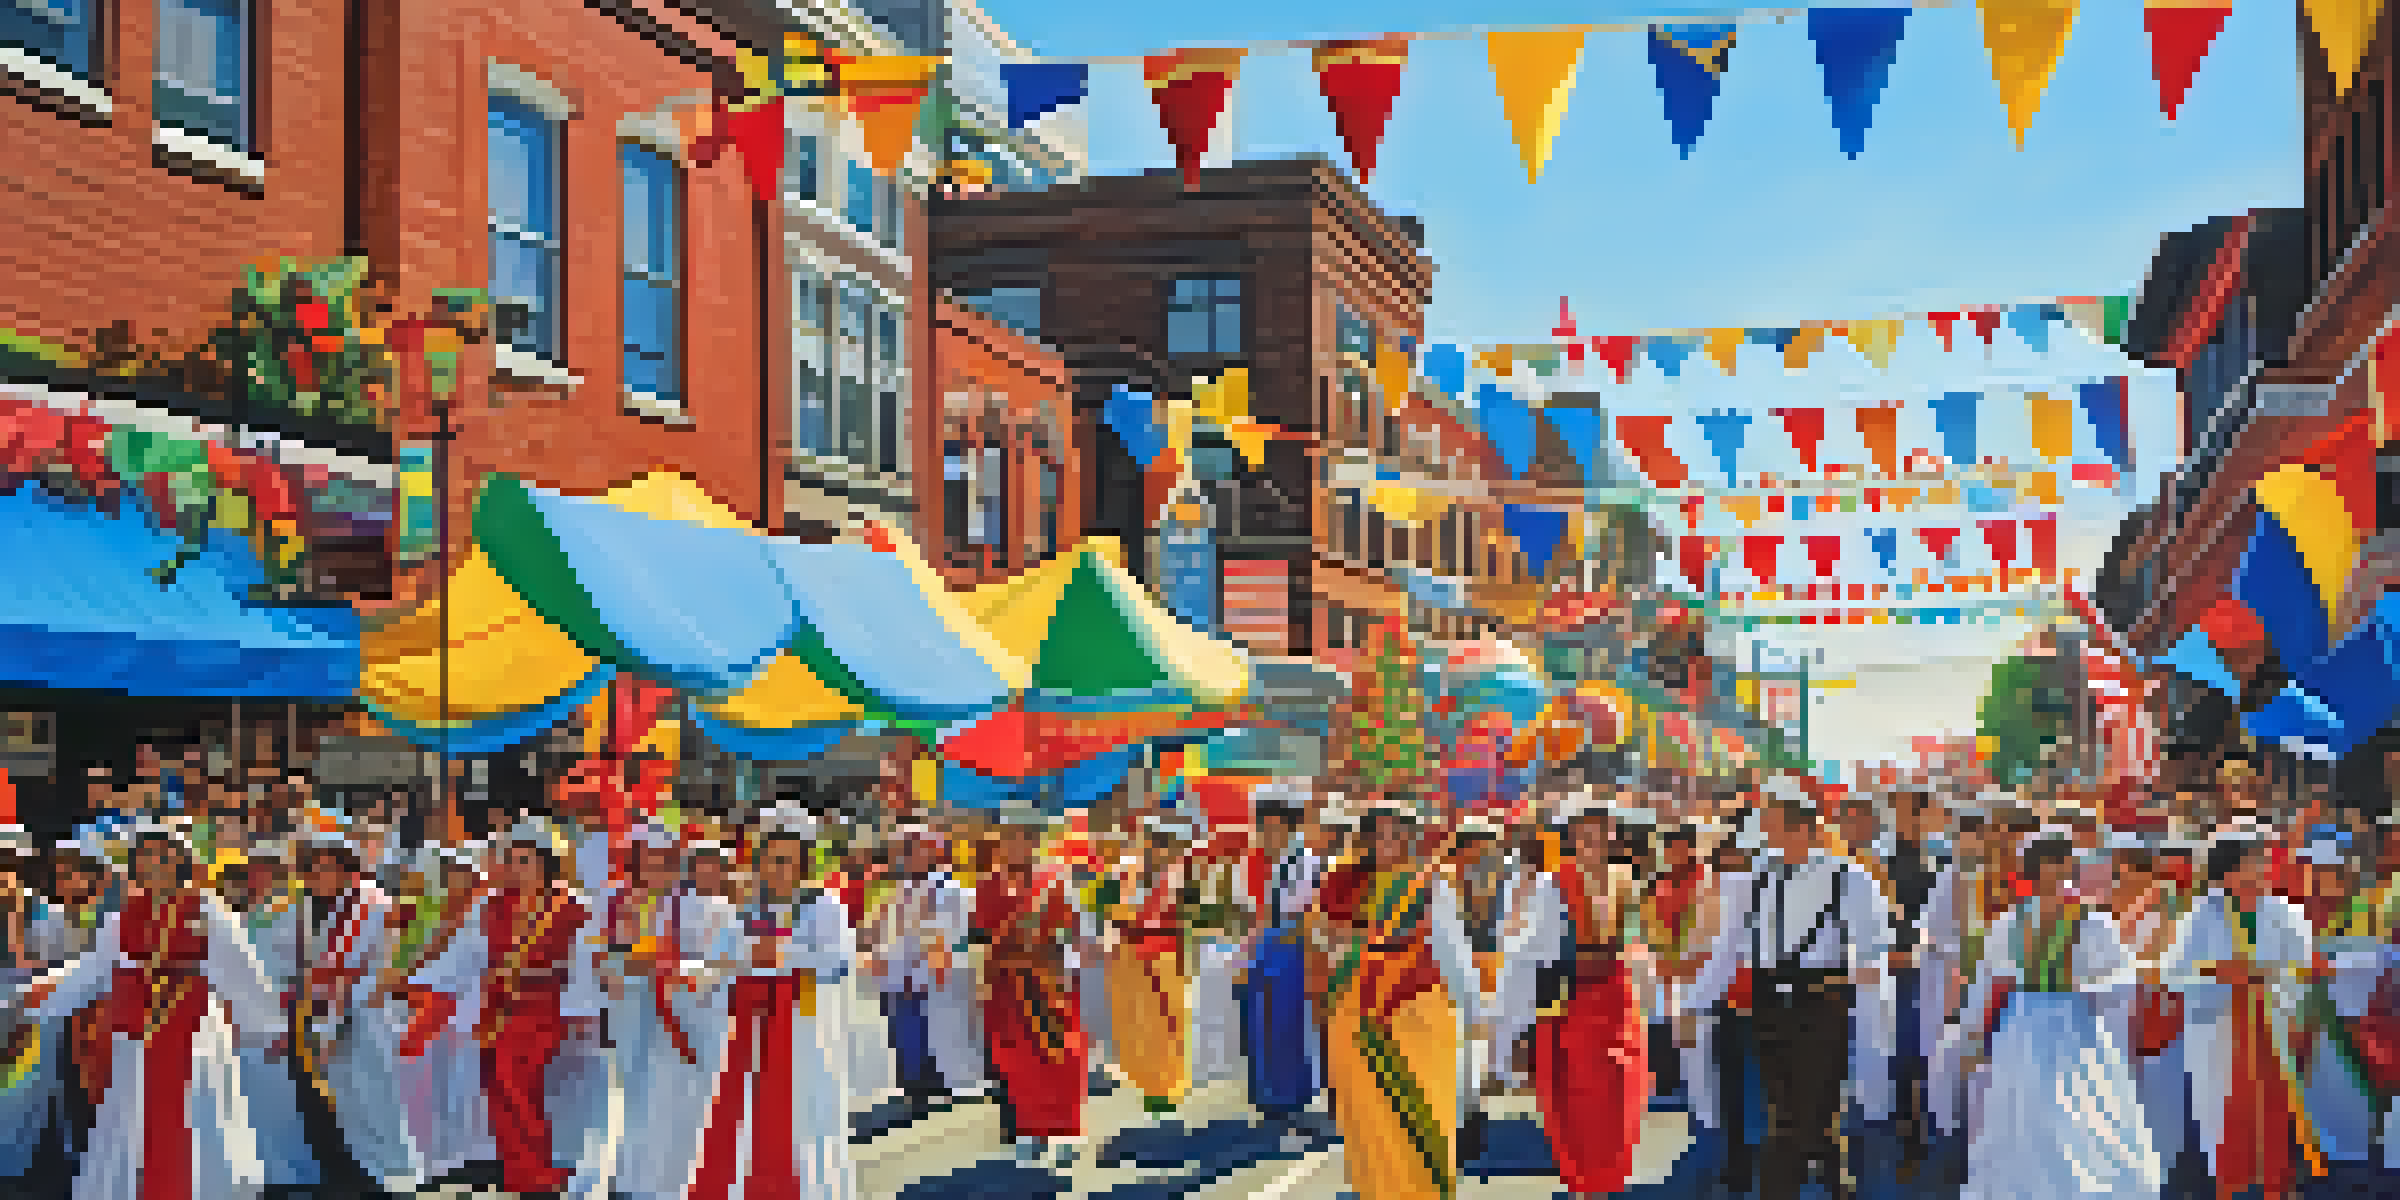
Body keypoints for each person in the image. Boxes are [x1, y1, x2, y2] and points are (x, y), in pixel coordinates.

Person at [19, 823, 284, 1200]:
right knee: (133, 1119)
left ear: (182, 860)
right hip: (136, 1034)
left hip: (194, 1034)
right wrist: (38, 998)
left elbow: (240, 970)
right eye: (147, 856)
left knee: (195, 1119)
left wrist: (268, 1026)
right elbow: (92, 970)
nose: (155, 863)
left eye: (164, 855)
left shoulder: (207, 911)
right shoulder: (122, 916)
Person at [1682, 776, 1886, 1200]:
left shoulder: (1848, 878)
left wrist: (1872, 1030)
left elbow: (1871, 957)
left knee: (1802, 1112)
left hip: (1823, 999)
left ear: (1805, 828)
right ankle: (1830, 1176)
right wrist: (1693, 1005)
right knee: (1792, 1111)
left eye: (1776, 824)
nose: (1769, 834)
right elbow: (1728, 950)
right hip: (1768, 1000)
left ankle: (1801, 1182)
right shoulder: (1751, 879)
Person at [406, 818, 602, 1198]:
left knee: (522, 1087)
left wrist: (582, 1011)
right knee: (496, 1085)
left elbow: (582, 962)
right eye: (512, 858)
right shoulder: (491, 903)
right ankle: (516, 1170)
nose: (516, 866)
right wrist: (421, 981)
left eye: (525, 858)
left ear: (546, 862)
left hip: (543, 1008)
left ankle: (540, 1173)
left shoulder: (572, 906)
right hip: (495, 1007)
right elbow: (465, 953)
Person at [1956, 837, 2160, 1198]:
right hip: (2028, 1023)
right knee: (2027, 1112)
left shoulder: (2087, 919)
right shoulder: (2015, 920)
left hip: (2067, 1021)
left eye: (2059, 863)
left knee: (2074, 1110)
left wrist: (2090, 987)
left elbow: (2120, 979)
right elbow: (1992, 978)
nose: (2054, 871)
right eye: (2048, 863)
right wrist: (1974, 1034)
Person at [684, 810, 855, 1200]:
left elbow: (839, 962)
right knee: (743, 1120)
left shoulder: (824, 906)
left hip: (803, 1029)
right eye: (771, 859)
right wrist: (696, 972)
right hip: (748, 1030)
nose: (778, 869)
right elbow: (719, 958)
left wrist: (783, 952)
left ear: (804, 862)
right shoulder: (744, 910)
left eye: (788, 860)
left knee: (802, 1122)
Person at [1312, 799, 1476, 1200]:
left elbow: (1452, 948)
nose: (1388, 839)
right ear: (1365, 838)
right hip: (1353, 1010)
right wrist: (1339, 958)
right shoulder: (1340, 880)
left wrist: (1473, 1008)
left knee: (1423, 1106)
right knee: (1367, 1115)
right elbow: (1319, 938)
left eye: (1397, 831)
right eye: (1379, 831)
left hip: (1416, 1008)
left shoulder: (1433, 880)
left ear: (1411, 837)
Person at [2158, 832, 2320, 1200]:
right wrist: (2219, 969)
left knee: (2276, 1128)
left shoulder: (2283, 911)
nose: (2262, 869)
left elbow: (2306, 968)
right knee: (2224, 1130)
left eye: (2263, 861)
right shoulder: (2201, 913)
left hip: (2272, 1031)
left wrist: (2272, 978)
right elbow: (2174, 973)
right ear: (2228, 871)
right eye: (2253, 861)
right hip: (2220, 1037)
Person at [1511, 801, 1652, 1198]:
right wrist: (1528, 1025)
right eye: (1584, 830)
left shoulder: (1628, 878)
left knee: (1618, 1100)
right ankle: (1585, 1187)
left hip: (1617, 1002)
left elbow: (1635, 943)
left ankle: (1603, 1185)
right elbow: (1537, 957)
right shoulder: (1551, 883)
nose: (1592, 837)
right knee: (1574, 1101)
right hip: (1569, 1003)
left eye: (1601, 829)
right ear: (1571, 836)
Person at [277, 827, 427, 1194]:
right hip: (324, 1007)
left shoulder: (374, 904)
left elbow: (358, 961)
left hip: (367, 1008)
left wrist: (314, 982)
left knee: (376, 1093)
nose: (317, 875)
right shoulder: (308, 907)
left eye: (327, 867)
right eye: (313, 868)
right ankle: (357, 1168)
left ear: (350, 869)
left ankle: (395, 1172)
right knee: (342, 1095)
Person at [612, 825, 742, 1200]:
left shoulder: (731, 912)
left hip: (712, 1014)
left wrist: (705, 972)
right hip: (666, 1018)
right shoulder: (663, 905)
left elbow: (735, 962)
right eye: (700, 865)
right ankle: (650, 1184)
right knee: (658, 1099)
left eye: (715, 866)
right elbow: (636, 955)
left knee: (706, 1099)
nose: (708, 872)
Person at [971, 814, 1091, 1165]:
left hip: (1048, 983)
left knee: (1060, 1058)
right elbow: (980, 936)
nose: (1012, 844)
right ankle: (1029, 1129)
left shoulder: (1054, 879)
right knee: (1016, 1061)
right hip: (1005, 986)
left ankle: (1067, 1130)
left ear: (1034, 840)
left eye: (1020, 836)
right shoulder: (987, 884)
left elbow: (1071, 932)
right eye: (1006, 838)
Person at [865, 824, 978, 1112]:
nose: (908, 854)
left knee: (937, 1034)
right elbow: (881, 932)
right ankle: (915, 1087)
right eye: (905, 848)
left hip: (933, 978)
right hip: (898, 978)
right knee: (905, 1035)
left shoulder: (952, 890)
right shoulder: (897, 890)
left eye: (915, 847)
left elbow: (953, 935)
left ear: (933, 851)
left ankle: (938, 1086)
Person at [1236, 788, 1322, 1149]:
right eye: (1264, 828)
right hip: (1267, 946)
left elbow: (1308, 911)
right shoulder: (1267, 862)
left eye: (1275, 828)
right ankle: (1269, 1094)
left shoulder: (1305, 862)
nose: (1268, 836)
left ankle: (1291, 1097)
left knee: (1287, 1022)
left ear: (1290, 828)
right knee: (1260, 1022)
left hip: (1291, 948)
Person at [1102, 813, 1197, 1120]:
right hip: (1132, 956)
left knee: (1168, 1024)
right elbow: (1112, 913)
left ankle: (1168, 1091)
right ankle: (1152, 1090)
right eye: (1156, 841)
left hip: (1166, 956)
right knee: (1139, 1028)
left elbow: (1191, 919)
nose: (1160, 847)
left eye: (1167, 842)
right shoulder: (1130, 874)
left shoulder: (1184, 877)